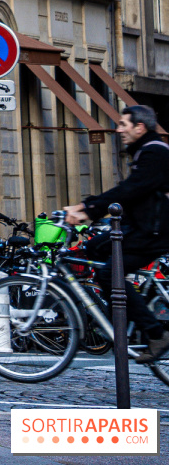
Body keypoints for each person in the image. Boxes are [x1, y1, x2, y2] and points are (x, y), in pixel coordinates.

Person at [66, 104, 169, 361]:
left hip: (155, 231)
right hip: (141, 227)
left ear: (140, 127)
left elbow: (130, 191)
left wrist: (87, 209)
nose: (118, 129)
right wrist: (86, 206)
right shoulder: (144, 151)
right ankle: (117, 318)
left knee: (109, 273)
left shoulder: (155, 152)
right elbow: (128, 192)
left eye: (123, 125)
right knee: (92, 248)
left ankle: (155, 333)